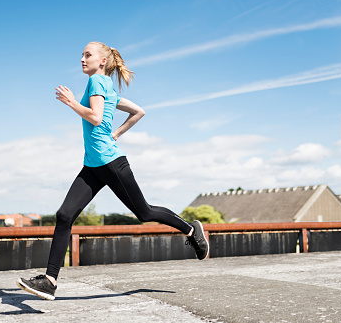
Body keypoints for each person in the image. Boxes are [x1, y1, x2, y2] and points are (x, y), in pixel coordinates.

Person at [17, 41, 209, 300]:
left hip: (111, 163)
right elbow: (138, 111)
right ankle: (50, 281)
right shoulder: (105, 85)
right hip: (93, 165)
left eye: (88, 55)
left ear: (102, 61)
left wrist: (72, 102)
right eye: (82, 55)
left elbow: (96, 118)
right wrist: (116, 132)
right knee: (64, 215)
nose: (82, 59)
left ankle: (190, 230)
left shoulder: (98, 82)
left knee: (144, 212)